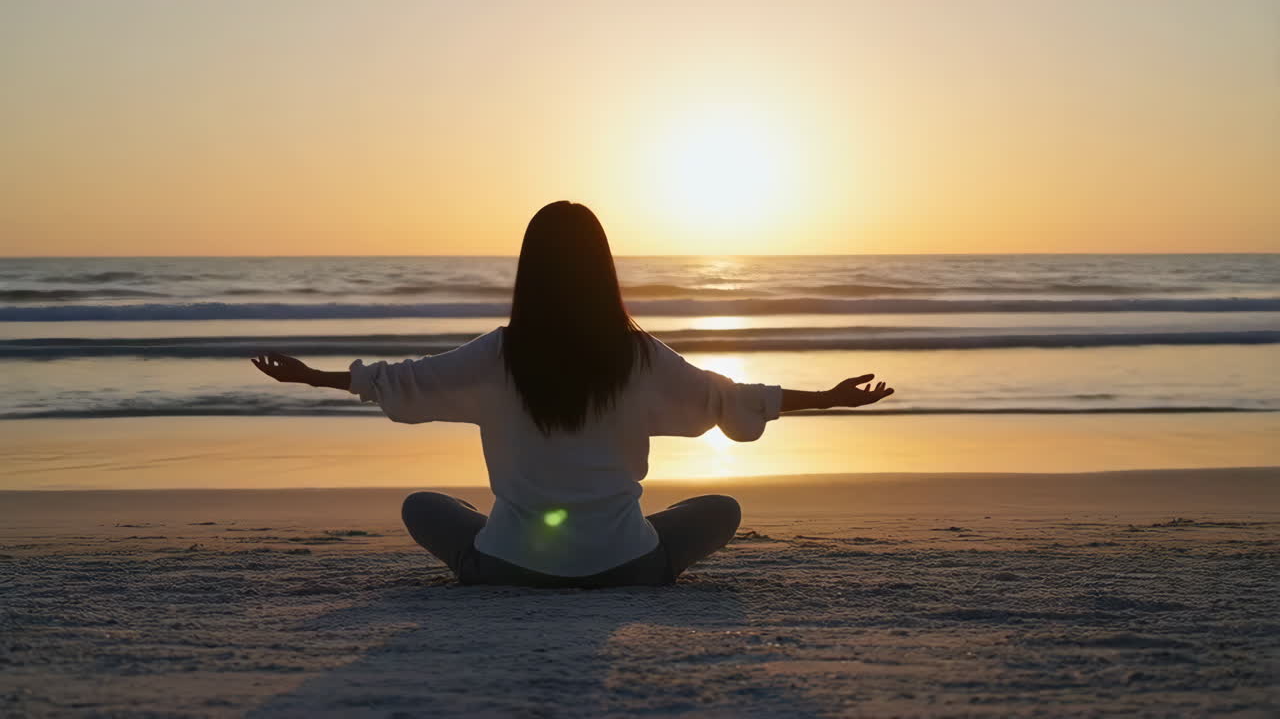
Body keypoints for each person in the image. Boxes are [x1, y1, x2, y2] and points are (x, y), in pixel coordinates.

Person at [251, 201, 894, 588]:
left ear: (529, 270)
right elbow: (729, 400)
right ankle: (630, 561)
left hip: (508, 568)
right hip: (626, 566)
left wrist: (312, 376)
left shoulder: (499, 353)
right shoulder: (635, 355)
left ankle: (496, 564)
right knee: (721, 508)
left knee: (422, 506)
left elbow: (404, 382)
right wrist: (827, 399)